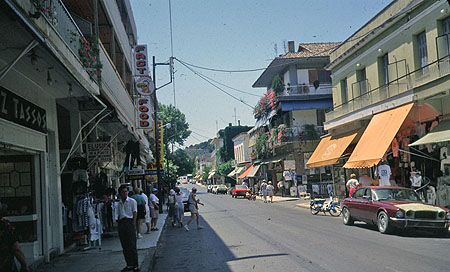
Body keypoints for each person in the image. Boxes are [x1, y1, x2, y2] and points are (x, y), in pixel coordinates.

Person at [116, 185, 139, 272]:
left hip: (129, 222)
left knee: (132, 245)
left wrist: (133, 223)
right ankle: (129, 264)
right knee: (125, 245)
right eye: (123, 192)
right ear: (120, 193)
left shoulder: (132, 201)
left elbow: (135, 212)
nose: (125, 193)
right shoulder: (119, 203)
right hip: (122, 223)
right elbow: (118, 214)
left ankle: (135, 265)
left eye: (126, 191)